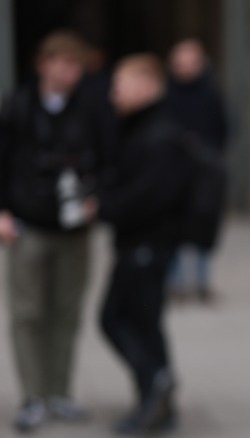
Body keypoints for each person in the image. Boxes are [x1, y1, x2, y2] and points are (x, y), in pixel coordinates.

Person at [0, 30, 102, 433]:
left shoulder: (90, 109)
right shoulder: (18, 106)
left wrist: (96, 196)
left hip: (74, 227)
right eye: (63, 62)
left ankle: (58, 392)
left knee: (67, 311)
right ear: (44, 64)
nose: (70, 71)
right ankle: (32, 397)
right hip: (28, 225)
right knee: (28, 313)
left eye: (76, 64)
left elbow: (108, 158)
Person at [97, 54, 191, 435]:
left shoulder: (159, 132)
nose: (113, 93)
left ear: (145, 86)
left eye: (119, 84)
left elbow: (150, 195)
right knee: (142, 323)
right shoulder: (140, 126)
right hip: (140, 244)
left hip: (147, 245)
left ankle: (156, 384)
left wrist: (103, 206)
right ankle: (156, 403)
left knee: (115, 319)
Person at [163, 38, 228, 303]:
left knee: (204, 224)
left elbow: (223, 129)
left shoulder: (211, 92)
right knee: (172, 226)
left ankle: (202, 283)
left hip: (204, 172)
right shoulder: (165, 93)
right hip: (172, 169)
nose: (185, 68)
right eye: (181, 62)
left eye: (191, 62)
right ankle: (175, 284)